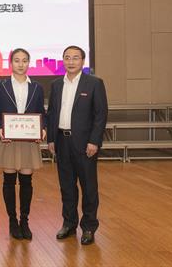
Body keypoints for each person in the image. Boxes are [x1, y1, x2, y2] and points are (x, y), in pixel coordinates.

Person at [46, 45, 108, 246]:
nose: (71, 61)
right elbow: (52, 113)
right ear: (63, 60)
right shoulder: (56, 84)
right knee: (67, 187)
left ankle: (88, 227)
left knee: (89, 187)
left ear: (83, 61)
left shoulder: (94, 83)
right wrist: (51, 139)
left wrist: (94, 141)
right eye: (67, 57)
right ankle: (69, 224)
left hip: (85, 144)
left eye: (75, 58)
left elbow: (100, 115)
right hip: (61, 141)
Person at [0, 48, 46, 240]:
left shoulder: (37, 87)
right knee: (9, 181)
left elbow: (41, 113)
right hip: (8, 140)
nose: (21, 64)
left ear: (29, 63)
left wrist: (42, 129)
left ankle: (24, 221)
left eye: (24, 60)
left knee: (27, 181)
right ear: (10, 63)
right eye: (16, 60)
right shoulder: (0, 86)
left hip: (28, 140)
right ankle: (12, 221)